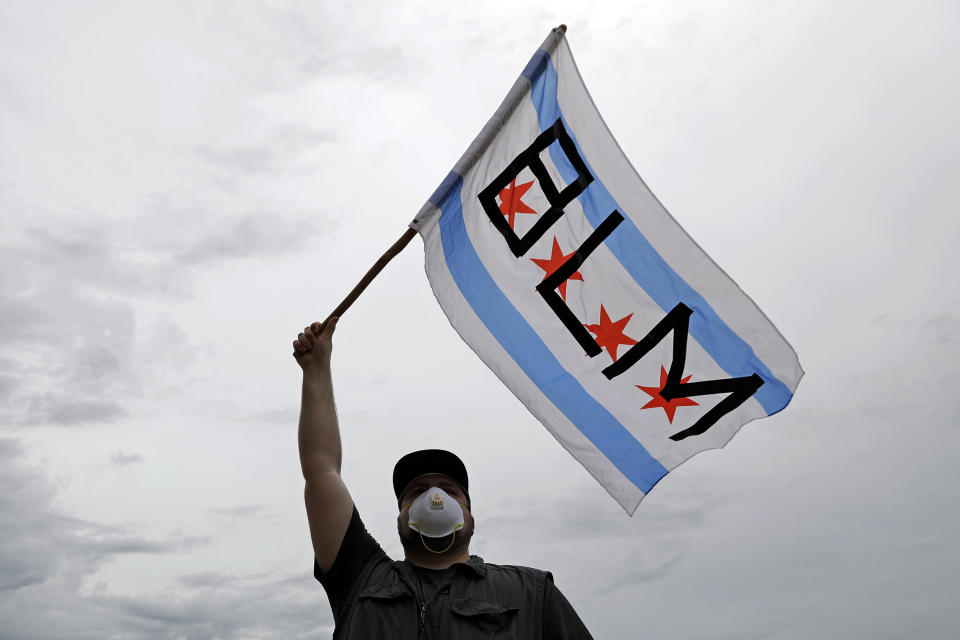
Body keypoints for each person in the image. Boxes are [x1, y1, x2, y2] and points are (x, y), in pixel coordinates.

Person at [293, 317, 594, 639]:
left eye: (449, 490)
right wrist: (316, 368)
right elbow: (321, 470)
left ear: (470, 517)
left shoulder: (531, 592)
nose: (434, 496)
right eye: (417, 491)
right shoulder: (361, 577)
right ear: (401, 517)